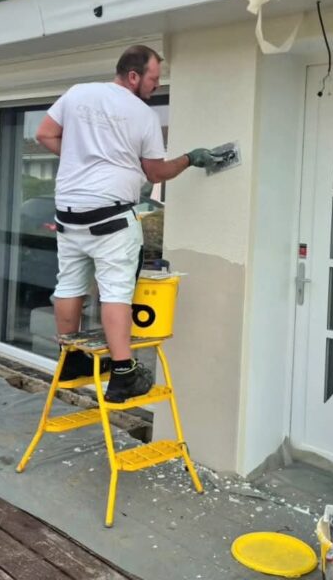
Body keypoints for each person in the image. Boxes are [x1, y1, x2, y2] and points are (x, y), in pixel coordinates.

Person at [34, 44, 217, 401]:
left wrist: (79, 156)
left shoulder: (78, 94)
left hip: (69, 213)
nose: (155, 87)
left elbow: (44, 134)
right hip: (110, 217)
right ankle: (123, 373)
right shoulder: (142, 114)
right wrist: (190, 159)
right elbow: (155, 171)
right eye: (152, 79)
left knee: (69, 284)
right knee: (116, 290)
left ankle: (70, 361)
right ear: (133, 76)